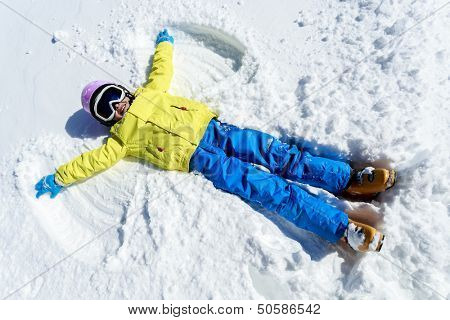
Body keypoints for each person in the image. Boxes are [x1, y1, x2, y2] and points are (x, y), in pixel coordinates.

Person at [35, 29, 395, 253]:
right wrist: (59, 177)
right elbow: (92, 162)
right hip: (204, 162)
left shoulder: (149, 92)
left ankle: (347, 179)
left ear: (122, 90)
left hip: (218, 131)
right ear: (105, 119)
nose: (117, 106)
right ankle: (344, 230)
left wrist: (164, 44)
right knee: (269, 189)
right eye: (107, 109)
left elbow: (162, 70)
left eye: (115, 96)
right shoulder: (120, 141)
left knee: (280, 155)